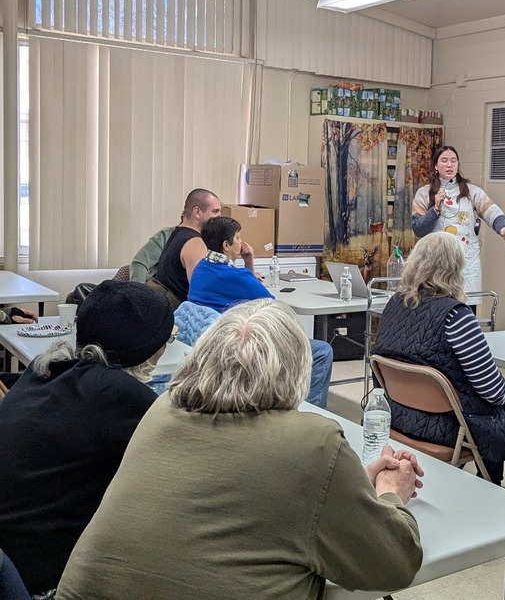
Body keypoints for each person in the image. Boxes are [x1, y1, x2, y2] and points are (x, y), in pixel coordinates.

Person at [57, 299, 424, 599]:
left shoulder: (161, 410)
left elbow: (233, 498)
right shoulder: (313, 442)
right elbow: (395, 563)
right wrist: (390, 492)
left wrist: (350, 483)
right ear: (296, 372)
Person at [0, 281, 173, 595]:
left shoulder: (42, 371)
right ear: (149, 348)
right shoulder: (120, 395)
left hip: (11, 565)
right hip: (45, 582)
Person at [372, 232, 505, 502]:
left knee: (481, 401)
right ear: (455, 269)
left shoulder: (395, 304)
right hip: (448, 427)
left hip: (400, 417)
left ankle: (490, 483)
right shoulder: (456, 317)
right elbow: (495, 394)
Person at [186, 216, 335, 409]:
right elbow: (270, 308)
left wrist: (248, 262)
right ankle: (311, 412)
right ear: (226, 244)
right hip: (238, 345)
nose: (241, 242)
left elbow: (248, 287)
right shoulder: (235, 276)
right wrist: (249, 265)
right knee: (321, 350)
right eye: (238, 238)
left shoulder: (202, 267)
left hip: (209, 340)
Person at [412, 146, 505, 293]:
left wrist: (503, 228)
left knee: (465, 308)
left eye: (453, 161)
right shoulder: (423, 194)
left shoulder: (472, 192)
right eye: (444, 160)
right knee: (438, 308)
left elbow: (491, 211)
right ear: (435, 165)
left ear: (458, 165)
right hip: (436, 262)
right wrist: (435, 210)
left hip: (466, 262)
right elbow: (418, 229)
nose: (449, 164)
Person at [147, 188, 221, 308]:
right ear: (197, 212)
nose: (219, 217)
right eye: (215, 211)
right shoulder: (195, 243)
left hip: (164, 309)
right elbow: (201, 292)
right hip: (177, 315)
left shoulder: (177, 233)